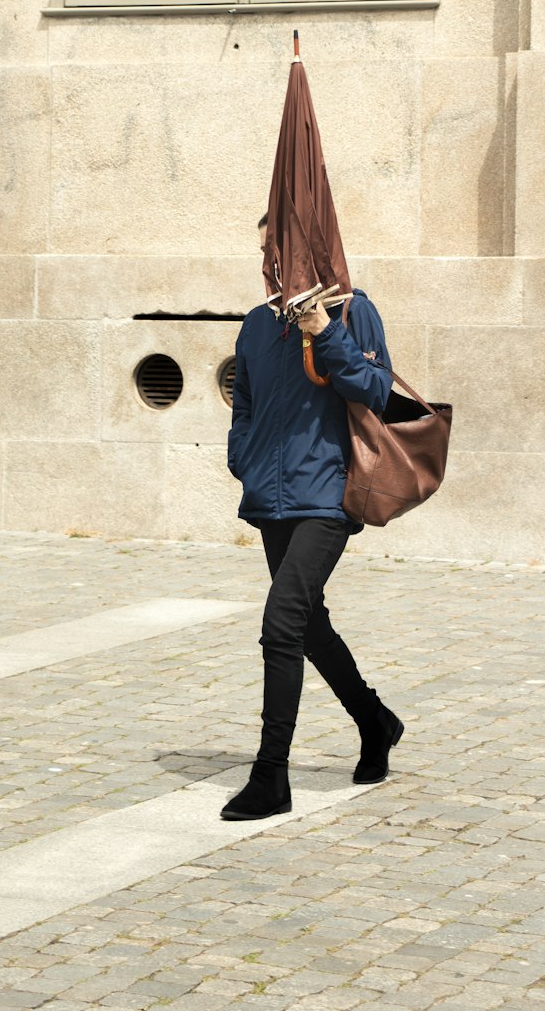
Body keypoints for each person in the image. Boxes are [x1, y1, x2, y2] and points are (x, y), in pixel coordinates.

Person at [219, 215, 405, 821]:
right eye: (266, 248)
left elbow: (374, 390)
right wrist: (242, 457)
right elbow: (242, 400)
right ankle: (375, 721)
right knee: (308, 625)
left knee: (282, 622)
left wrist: (324, 330)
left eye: (281, 246)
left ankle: (271, 775)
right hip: (272, 497)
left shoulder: (354, 312)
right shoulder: (255, 324)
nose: (270, 258)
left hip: (329, 495)